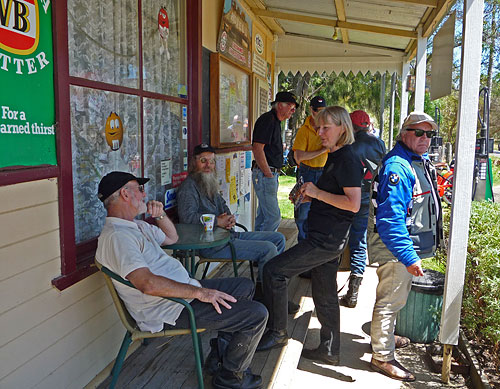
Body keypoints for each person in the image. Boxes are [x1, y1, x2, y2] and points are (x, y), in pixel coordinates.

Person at [95, 171, 268, 389]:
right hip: (170, 309)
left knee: (243, 286)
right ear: (125, 194)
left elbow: (172, 237)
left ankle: (220, 357)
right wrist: (200, 293)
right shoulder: (117, 237)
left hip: (181, 294)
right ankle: (231, 377)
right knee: (257, 314)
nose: (144, 193)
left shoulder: (135, 226)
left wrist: (159, 216)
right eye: (139, 189)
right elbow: (146, 283)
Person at [256, 106, 363, 367]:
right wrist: (310, 193)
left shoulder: (347, 158)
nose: (319, 132)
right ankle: (329, 349)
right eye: (318, 127)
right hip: (324, 235)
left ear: (342, 129)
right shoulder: (335, 155)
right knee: (324, 294)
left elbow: (353, 204)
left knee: (273, 271)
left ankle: (278, 332)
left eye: (326, 128)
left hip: (325, 239)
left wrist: (317, 193)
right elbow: (332, 194)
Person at [367, 112, 443, 381]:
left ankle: (384, 339)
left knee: (394, 299)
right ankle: (382, 357)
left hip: (402, 247)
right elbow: (389, 220)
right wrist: (409, 256)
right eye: (418, 133)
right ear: (404, 134)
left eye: (429, 134)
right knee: (389, 301)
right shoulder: (398, 167)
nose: (425, 139)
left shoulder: (414, 161)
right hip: (396, 248)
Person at [177, 144, 286, 282]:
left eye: (211, 161)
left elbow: (223, 206)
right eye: (203, 161)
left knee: (278, 238)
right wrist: (217, 221)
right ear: (194, 163)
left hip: (229, 236)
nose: (208, 165)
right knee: (269, 249)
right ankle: (268, 293)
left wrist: (229, 219)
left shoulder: (208, 181)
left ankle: (272, 286)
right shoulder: (188, 188)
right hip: (211, 245)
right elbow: (187, 218)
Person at [339, 110, 386, 308]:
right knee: (359, 242)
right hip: (369, 198)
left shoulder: (347, 145)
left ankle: (326, 287)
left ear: (352, 125)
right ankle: (353, 292)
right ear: (367, 125)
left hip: (347, 198)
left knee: (337, 239)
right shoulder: (379, 144)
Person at [252, 91, 297, 232]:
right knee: (273, 217)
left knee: (263, 216)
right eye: (290, 106)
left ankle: (256, 248)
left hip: (269, 174)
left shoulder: (275, 122)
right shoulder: (268, 120)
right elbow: (257, 148)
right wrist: (268, 173)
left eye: (294, 107)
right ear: (279, 105)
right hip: (265, 174)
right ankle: (267, 249)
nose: (293, 110)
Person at [291, 96, 329, 241]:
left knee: (322, 212)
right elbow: (298, 157)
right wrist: (322, 150)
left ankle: (316, 245)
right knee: (303, 213)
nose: (319, 114)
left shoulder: (327, 128)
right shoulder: (304, 130)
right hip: (307, 172)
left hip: (323, 172)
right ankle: (303, 245)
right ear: (310, 110)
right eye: (316, 110)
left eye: (323, 111)